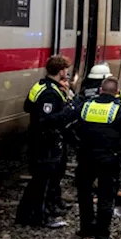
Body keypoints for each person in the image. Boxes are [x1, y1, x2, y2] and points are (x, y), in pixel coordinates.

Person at [74, 77, 121, 239]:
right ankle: (102, 237)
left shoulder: (85, 106)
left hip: (85, 157)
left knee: (84, 193)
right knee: (106, 197)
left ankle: (86, 227)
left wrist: (76, 143)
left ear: (100, 90)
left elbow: (66, 122)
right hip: (109, 159)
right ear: (116, 92)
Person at [17, 55, 77, 228]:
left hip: (39, 139)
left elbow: (27, 106)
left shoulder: (40, 86)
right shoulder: (50, 93)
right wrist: (68, 110)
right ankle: (38, 217)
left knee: (41, 180)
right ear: (61, 71)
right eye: (66, 70)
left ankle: (29, 214)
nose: (67, 73)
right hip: (45, 141)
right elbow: (47, 119)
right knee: (41, 181)